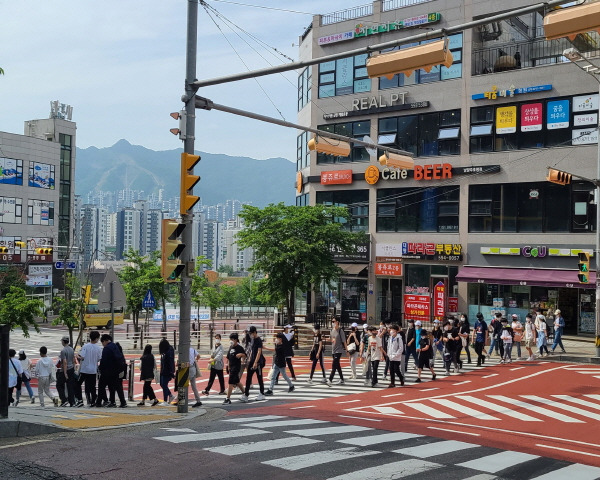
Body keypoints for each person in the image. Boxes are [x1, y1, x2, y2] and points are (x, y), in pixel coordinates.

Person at [98, 335, 127, 408]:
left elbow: (103, 361)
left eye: (102, 342)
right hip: (116, 370)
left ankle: (99, 402)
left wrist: (100, 368)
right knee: (117, 386)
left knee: (101, 386)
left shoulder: (107, 349)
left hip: (107, 371)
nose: (103, 344)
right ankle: (122, 402)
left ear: (104, 341)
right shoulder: (115, 346)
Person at [78, 331, 102, 407]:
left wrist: (77, 357)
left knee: (78, 384)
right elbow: (99, 358)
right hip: (93, 370)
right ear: (97, 338)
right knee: (92, 386)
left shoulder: (85, 346)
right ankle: (93, 401)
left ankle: (80, 400)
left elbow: (82, 356)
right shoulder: (98, 348)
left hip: (84, 369)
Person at [241, 326, 266, 402]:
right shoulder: (252, 340)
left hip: (258, 362)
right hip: (251, 361)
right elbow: (250, 350)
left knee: (259, 378)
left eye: (251, 333)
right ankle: (246, 395)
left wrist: (255, 362)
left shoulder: (258, 340)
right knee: (248, 378)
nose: (250, 334)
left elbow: (259, 352)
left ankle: (262, 393)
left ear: (255, 332)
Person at [58, 336, 83, 407]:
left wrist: (65, 373)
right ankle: (72, 402)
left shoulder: (63, 351)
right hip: (71, 368)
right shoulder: (71, 349)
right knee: (70, 386)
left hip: (65, 370)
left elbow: (64, 362)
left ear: (63, 341)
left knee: (59, 384)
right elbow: (73, 359)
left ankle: (64, 400)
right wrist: (74, 368)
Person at [222, 333, 246, 405]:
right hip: (231, 366)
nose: (231, 341)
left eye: (232, 339)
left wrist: (241, 355)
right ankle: (245, 393)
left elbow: (245, 355)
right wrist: (228, 366)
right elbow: (229, 357)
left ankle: (228, 398)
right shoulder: (231, 347)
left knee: (230, 382)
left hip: (236, 367)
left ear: (235, 340)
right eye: (230, 339)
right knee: (237, 381)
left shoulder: (239, 347)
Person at [328, 317, 346, 386]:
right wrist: (323, 338)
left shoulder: (340, 330)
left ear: (337, 322)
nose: (333, 323)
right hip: (333, 350)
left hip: (339, 350)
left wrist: (346, 350)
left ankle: (330, 379)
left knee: (334, 364)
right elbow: (331, 339)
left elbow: (344, 341)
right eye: (332, 321)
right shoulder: (332, 330)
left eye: (334, 321)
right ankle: (342, 379)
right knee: (337, 365)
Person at [159, 338, 176, 404]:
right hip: (164, 370)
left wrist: (171, 373)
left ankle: (165, 400)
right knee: (162, 384)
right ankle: (170, 395)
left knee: (164, 385)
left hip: (166, 371)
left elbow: (170, 363)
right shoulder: (166, 352)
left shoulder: (168, 353)